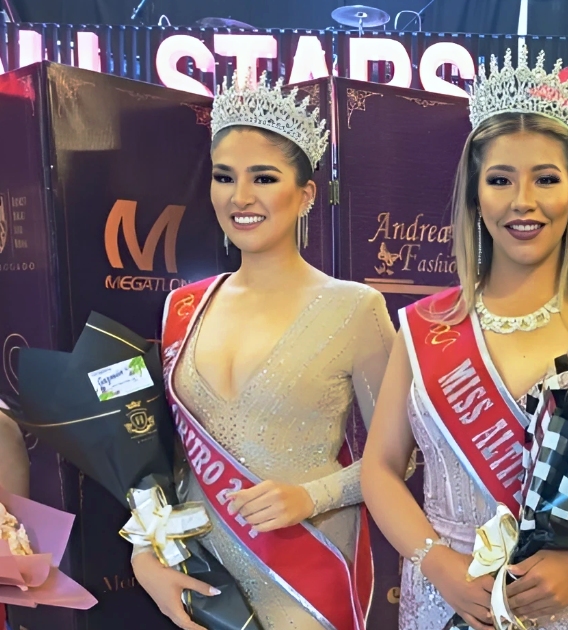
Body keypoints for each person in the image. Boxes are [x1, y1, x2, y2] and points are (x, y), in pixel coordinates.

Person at [362, 46, 568, 630]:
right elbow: (379, 469)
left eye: (545, 178)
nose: (523, 202)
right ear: (475, 195)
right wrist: (439, 565)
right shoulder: (424, 329)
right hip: (447, 599)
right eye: (501, 179)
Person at [132, 75, 393, 630]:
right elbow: (167, 459)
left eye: (264, 178)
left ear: (306, 194)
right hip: (202, 579)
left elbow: (401, 457)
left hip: (303, 567)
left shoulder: (355, 309)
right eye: (225, 177)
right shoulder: (183, 306)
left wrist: (312, 495)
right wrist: (143, 554)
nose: (240, 197)